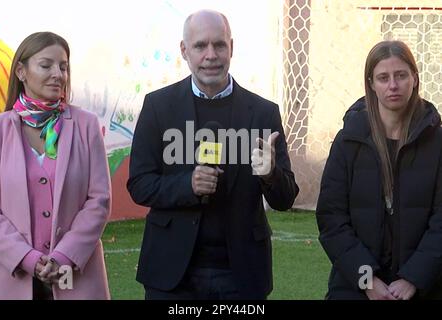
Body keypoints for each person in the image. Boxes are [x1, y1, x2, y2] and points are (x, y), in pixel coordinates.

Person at [127, 10, 299, 300]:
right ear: (184, 50)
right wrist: (188, 185)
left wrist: (271, 174)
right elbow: (140, 184)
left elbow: (285, 198)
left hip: (241, 273)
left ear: (231, 47)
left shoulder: (263, 112)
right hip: (171, 273)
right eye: (200, 45)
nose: (211, 55)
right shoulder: (158, 107)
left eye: (219, 45)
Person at [316, 40, 442, 300]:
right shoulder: (348, 141)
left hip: (424, 287)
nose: (393, 85)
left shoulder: (437, 142)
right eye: (383, 78)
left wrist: (413, 279)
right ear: (371, 83)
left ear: (415, 79)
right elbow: (332, 219)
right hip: (355, 286)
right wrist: (367, 279)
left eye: (401, 75)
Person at [0, 32, 111, 299]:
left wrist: (64, 256)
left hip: (76, 277)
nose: (58, 74)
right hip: (11, 277)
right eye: (46, 65)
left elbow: (99, 200)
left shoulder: (86, 125)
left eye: (63, 66)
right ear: (21, 71)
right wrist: (26, 257)